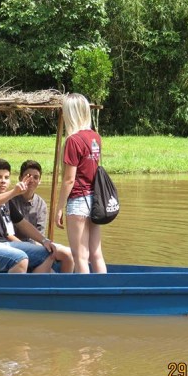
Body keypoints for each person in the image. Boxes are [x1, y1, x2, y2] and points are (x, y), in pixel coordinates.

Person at [55, 93, 107, 273]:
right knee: (96, 253)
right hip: (95, 200)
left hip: (78, 200)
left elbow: (69, 179)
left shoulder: (73, 140)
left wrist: (59, 208)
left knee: (80, 256)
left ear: (70, 113)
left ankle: (85, 289)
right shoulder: (95, 137)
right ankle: (103, 287)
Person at [10, 160, 74, 273]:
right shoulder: (10, 200)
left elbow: (40, 234)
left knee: (68, 254)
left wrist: (41, 247)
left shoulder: (41, 204)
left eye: (36, 177)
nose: (32, 180)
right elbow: (7, 234)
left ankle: (65, 282)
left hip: (35, 244)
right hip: (14, 245)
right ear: (20, 178)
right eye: (28, 176)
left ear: (39, 181)